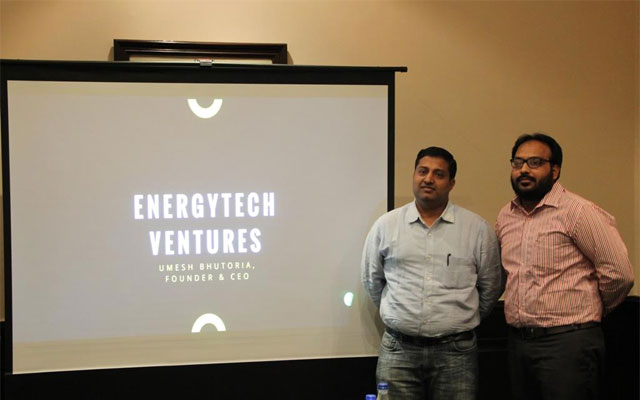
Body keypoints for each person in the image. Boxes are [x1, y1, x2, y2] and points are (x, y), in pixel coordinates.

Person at [495, 133, 634, 400]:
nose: (524, 170)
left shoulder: (578, 211)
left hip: (568, 343)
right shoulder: (506, 216)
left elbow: (619, 274)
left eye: (535, 162)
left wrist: (592, 309)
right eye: (518, 162)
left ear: (555, 170)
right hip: (518, 343)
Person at [361, 146, 502, 400]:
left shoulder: (477, 230)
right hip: (398, 350)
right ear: (414, 175)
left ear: (451, 183)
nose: (428, 179)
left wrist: (456, 321)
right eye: (422, 171)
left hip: (456, 353)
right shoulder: (386, 226)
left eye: (439, 174)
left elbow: (491, 287)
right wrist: (400, 314)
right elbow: (372, 280)